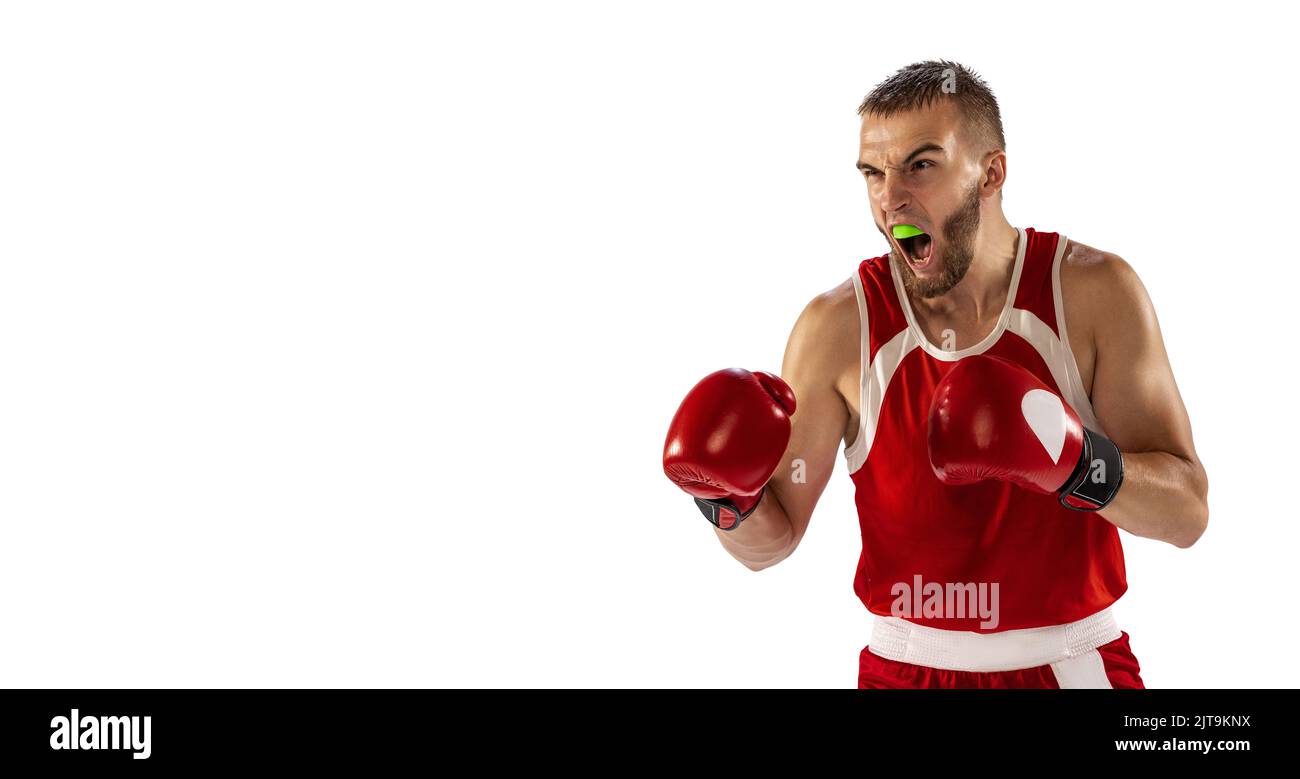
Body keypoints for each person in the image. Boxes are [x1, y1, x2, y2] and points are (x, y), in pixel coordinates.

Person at [663, 60, 1209, 689]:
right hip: (904, 669)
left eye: (921, 165)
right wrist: (726, 500)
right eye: (874, 172)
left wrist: (1075, 460)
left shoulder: (1090, 294)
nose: (891, 197)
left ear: (991, 173)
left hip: (1073, 663)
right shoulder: (839, 327)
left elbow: (1187, 514)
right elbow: (772, 542)